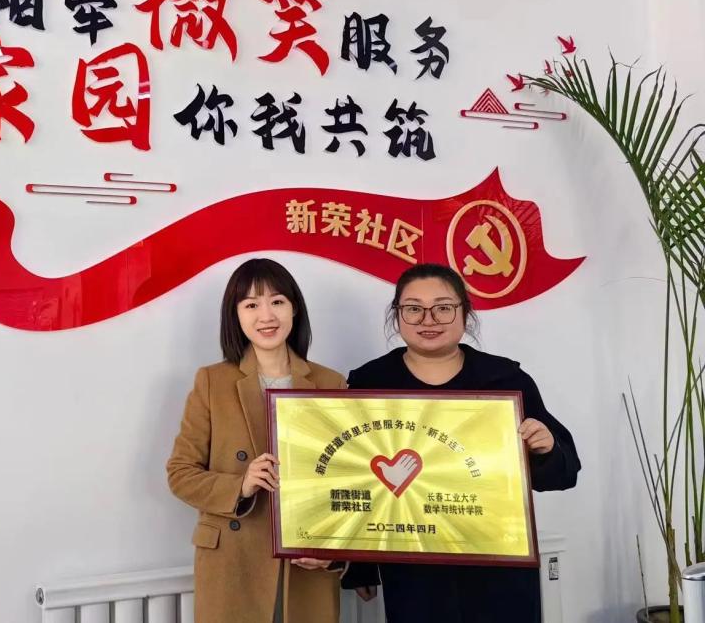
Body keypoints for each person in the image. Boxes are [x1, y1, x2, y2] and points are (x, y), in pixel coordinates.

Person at [342, 262, 580, 623]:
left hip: (499, 563)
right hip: (413, 565)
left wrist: (545, 449)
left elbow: (565, 474)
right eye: (413, 308)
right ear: (397, 315)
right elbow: (356, 476)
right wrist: (360, 565)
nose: (428, 319)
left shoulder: (505, 379)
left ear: (465, 313)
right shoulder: (370, 382)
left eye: (443, 307)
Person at [167, 258, 347, 623]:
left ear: (294, 308)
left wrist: (335, 550)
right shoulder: (212, 381)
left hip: (306, 564)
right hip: (233, 564)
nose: (266, 315)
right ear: (235, 316)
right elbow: (180, 474)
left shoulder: (331, 382)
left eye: (277, 301)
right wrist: (241, 485)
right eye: (251, 305)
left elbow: (351, 481)